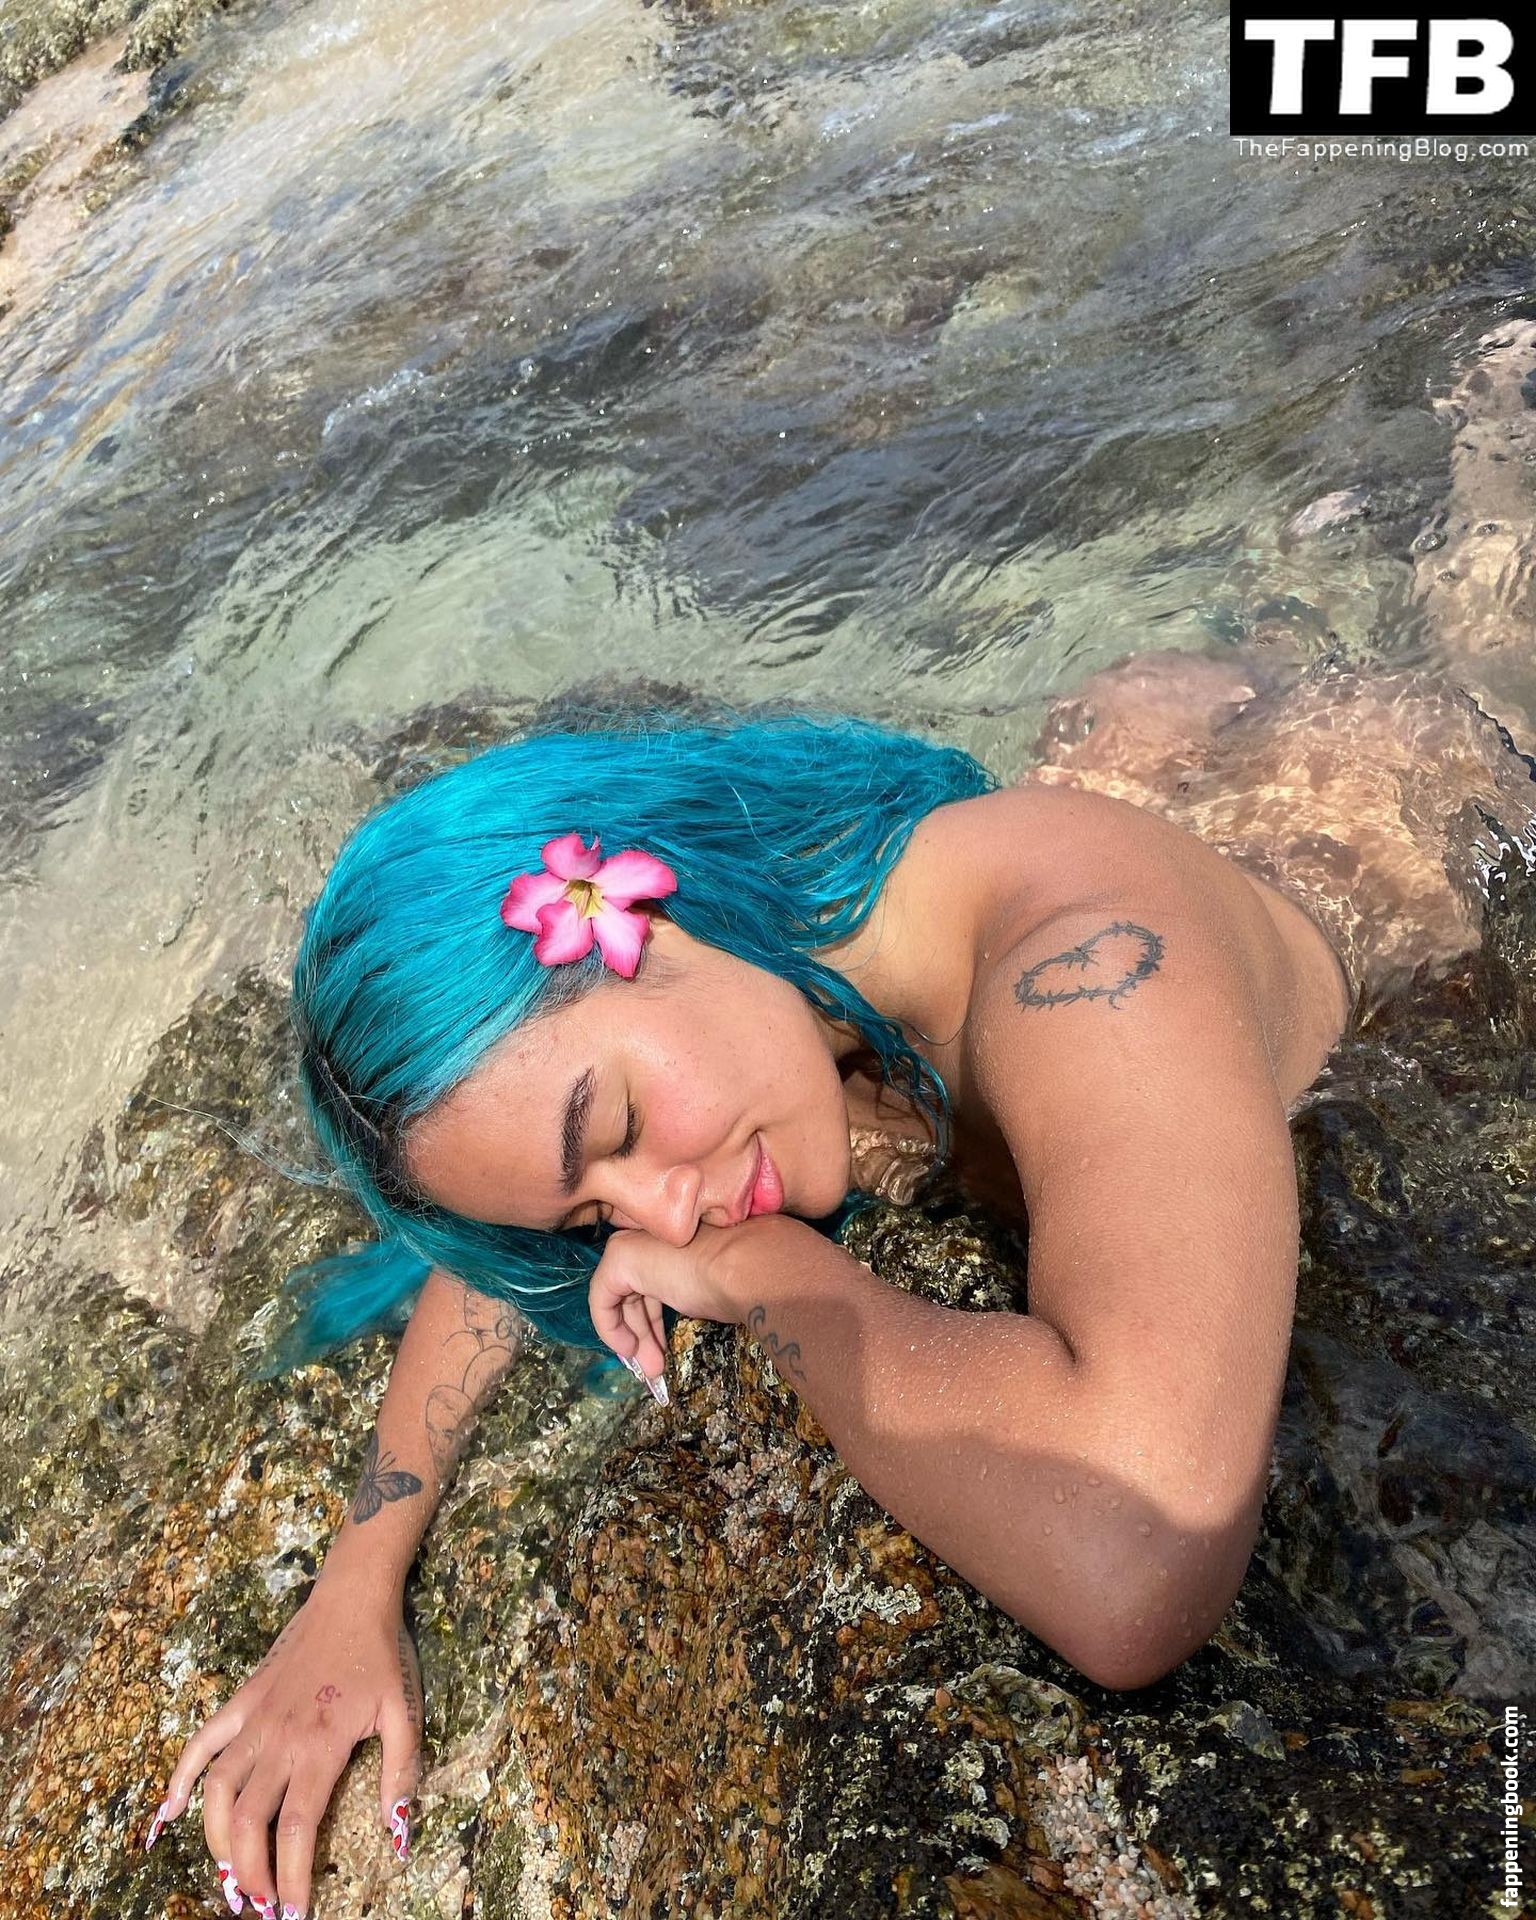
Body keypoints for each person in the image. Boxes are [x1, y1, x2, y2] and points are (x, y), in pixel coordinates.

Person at [146, 321, 1536, 1920]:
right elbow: (501, 1227)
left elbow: (1137, 1573)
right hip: (1154, 781)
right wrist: (357, 1575)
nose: (661, 1215)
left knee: (1486, 633)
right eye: (596, 1216)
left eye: (621, 1128)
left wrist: (775, 1280)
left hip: (1399, 828)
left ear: (656, 910)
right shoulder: (780, 1004)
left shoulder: (1090, 968)